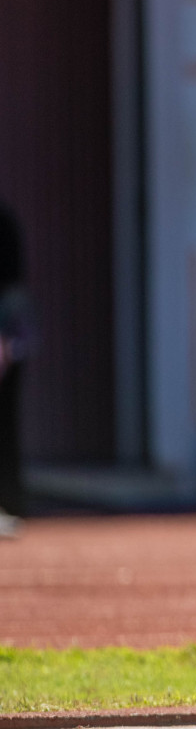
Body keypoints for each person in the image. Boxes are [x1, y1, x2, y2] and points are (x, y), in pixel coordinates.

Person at [0, 199, 29, 537]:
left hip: (6, 334)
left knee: (5, 420)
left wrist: (5, 337)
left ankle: (8, 500)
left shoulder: (4, 224)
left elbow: (14, 290)